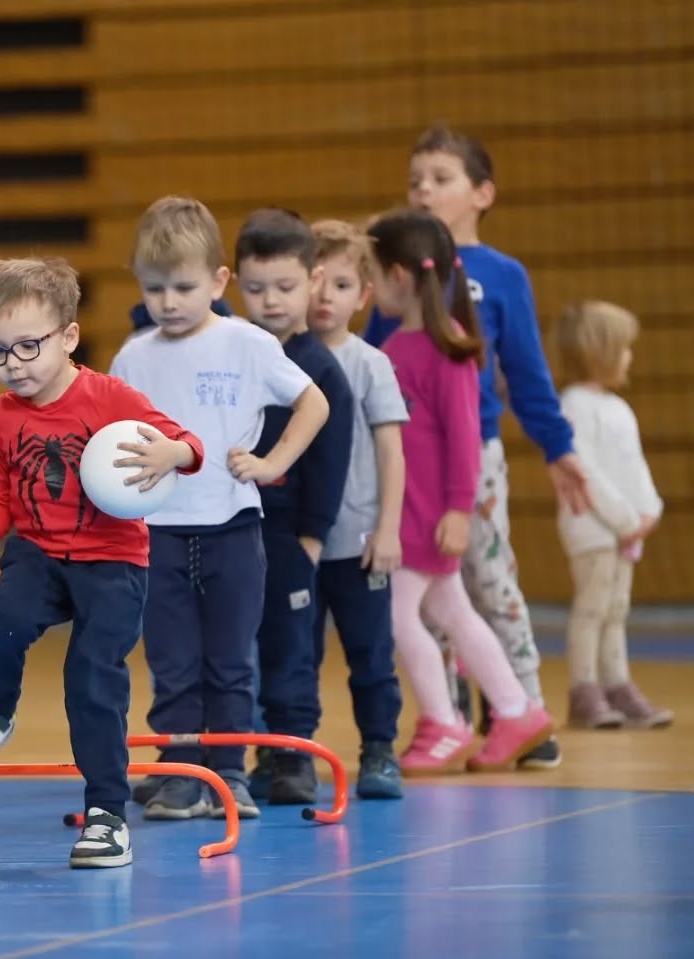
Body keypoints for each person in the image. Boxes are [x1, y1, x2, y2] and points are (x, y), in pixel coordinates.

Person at [0, 256, 205, 868]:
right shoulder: (3, 416)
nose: (13, 364)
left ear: (68, 337)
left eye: (29, 347)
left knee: (92, 679)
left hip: (113, 561)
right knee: (3, 622)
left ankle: (107, 815)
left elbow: (188, 447)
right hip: (36, 553)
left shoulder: (110, 396)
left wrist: (171, 452)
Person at [363, 125, 591, 769]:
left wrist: (558, 446)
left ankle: (519, 711)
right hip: (410, 471)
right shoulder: (399, 295)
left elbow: (527, 374)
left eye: (440, 178)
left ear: (483, 193)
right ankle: (461, 716)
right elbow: (378, 381)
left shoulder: (500, 277)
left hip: (469, 464)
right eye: (415, 180)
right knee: (440, 602)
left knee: (490, 584)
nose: (424, 189)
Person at [109, 197, 329, 820]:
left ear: (218, 281)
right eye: (155, 289)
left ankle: (229, 773)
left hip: (234, 529)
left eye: (184, 286)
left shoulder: (249, 344)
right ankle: (181, 773)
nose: (170, 302)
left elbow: (314, 403)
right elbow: (113, 440)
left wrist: (272, 463)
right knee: (173, 661)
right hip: (157, 536)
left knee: (231, 659)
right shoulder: (133, 357)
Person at [234, 208, 355, 804]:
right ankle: (227, 753)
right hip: (229, 529)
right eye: (255, 289)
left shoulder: (320, 370)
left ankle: (289, 756)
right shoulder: (228, 349)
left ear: (313, 280)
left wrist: (313, 535)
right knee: (230, 648)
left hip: (288, 536)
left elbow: (331, 459)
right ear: (232, 285)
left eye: (285, 287)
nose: (271, 301)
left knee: (289, 646)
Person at [306, 219, 407, 799]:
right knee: (291, 657)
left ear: (364, 296)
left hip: (360, 542)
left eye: (341, 285)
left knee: (370, 657)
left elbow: (392, 449)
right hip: (297, 543)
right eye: (316, 282)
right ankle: (285, 754)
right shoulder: (278, 358)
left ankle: (378, 750)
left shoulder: (370, 364)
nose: (325, 297)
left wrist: (387, 528)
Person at [554, 300, 673, 729]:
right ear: (598, 350)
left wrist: (648, 511)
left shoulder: (618, 408)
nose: (630, 356)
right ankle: (585, 691)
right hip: (593, 529)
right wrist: (625, 520)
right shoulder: (574, 406)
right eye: (623, 347)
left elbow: (633, 467)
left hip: (624, 532)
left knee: (615, 609)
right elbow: (586, 472)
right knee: (592, 608)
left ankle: (616, 685)